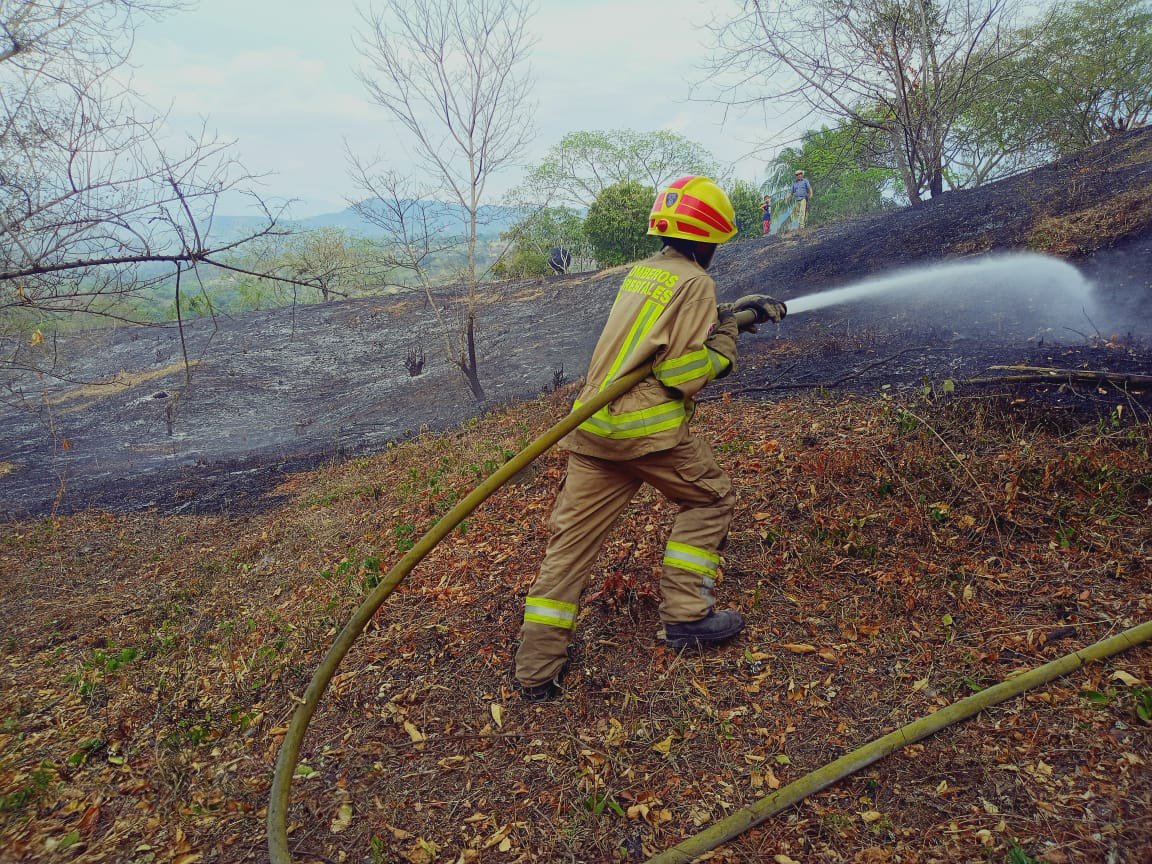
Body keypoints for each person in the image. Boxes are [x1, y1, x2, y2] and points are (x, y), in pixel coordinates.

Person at [513, 176, 787, 702]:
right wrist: (726, 336)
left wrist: (722, 315)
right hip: (647, 432)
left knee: (569, 547)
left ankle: (537, 670)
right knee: (710, 498)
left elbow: (653, 335)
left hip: (593, 429)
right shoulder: (697, 282)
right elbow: (683, 371)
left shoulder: (645, 273)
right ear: (707, 239)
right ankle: (686, 616)